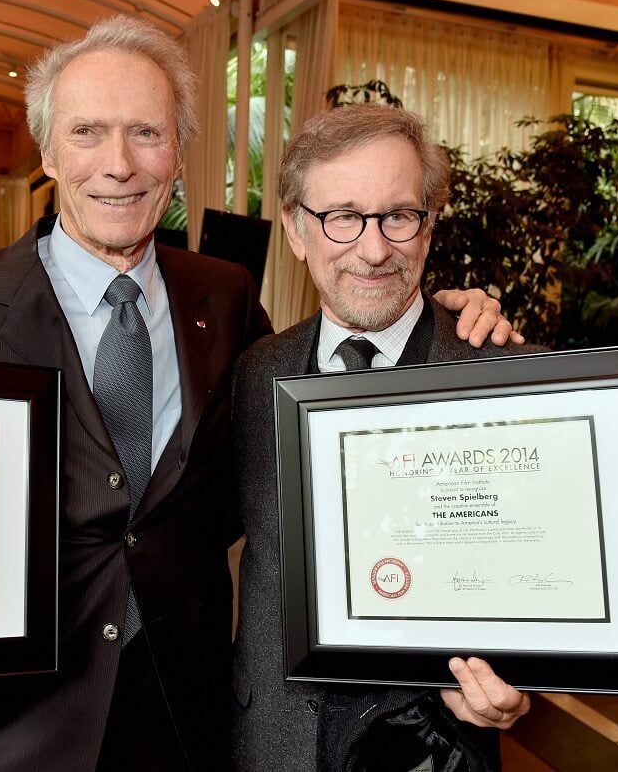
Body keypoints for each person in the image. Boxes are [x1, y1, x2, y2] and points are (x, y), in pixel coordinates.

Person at [0, 17, 518, 771]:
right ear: (47, 151)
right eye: (87, 133)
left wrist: (443, 320)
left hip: (187, 715)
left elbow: (298, 428)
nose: (119, 164)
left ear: (177, 152)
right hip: (13, 727)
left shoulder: (225, 296)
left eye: (146, 132)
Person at [231, 104, 543, 772]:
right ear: (294, 228)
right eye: (341, 216)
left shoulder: (507, 377)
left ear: (429, 226)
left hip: (434, 751)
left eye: (399, 216)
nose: (373, 250)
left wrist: (515, 680)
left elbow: (546, 572)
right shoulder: (254, 373)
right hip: (269, 745)